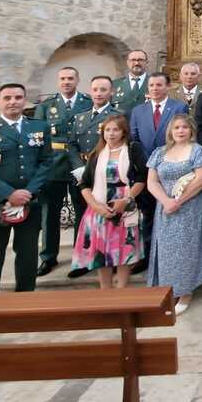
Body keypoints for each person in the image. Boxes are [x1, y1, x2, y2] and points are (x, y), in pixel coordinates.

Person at [0, 83, 52, 293]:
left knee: (28, 257)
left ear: (25, 100)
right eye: (7, 98)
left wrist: (28, 192)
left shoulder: (39, 128)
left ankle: (25, 302)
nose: (13, 102)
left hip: (29, 204)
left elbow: (46, 162)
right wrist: (9, 194)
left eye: (18, 97)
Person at [146, 114, 202, 315]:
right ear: (170, 131)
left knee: (186, 249)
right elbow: (152, 181)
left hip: (189, 209)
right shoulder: (159, 152)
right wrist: (166, 201)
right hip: (165, 209)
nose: (180, 131)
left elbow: (201, 179)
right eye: (176, 128)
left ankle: (185, 291)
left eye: (184, 127)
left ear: (191, 130)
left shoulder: (198, 151)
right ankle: (168, 289)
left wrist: (179, 201)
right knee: (166, 250)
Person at [72, 114, 147, 289]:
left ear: (123, 132)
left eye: (115, 130)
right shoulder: (97, 154)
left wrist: (126, 200)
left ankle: (121, 290)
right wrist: (95, 206)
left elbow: (142, 177)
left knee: (124, 251)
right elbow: (84, 183)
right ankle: (105, 291)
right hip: (100, 207)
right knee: (102, 253)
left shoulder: (132, 149)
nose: (111, 134)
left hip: (125, 207)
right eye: (107, 130)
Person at [33, 67, 92, 277]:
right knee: (50, 213)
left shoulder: (88, 102)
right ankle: (48, 257)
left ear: (77, 80)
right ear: (58, 81)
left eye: (70, 78)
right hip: (53, 166)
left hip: (80, 165)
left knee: (82, 211)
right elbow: (38, 138)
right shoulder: (47, 106)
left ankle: (81, 258)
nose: (66, 82)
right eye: (62, 78)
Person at [130, 72, 189, 273]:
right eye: (152, 85)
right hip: (147, 171)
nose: (155, 88)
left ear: (168, 86)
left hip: (172, 170)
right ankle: (147, 256)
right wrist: (146, 165)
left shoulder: (178, 107)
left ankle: (170, 255)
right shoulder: (138, 111)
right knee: (148, 215)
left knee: (170, 213)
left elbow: (184, 136)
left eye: (159, 85)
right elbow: (134, 140)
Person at [66, 75, 122, 278]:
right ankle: (83, 259)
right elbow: (71, 144)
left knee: (108, 217)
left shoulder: (117, 115)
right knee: (82, 217)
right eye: (95, 89)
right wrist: (79, 168)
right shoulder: (80, 117)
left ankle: (111, 258)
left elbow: (122, 144)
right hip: (82, 174)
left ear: (111, 92)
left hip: (107, 175)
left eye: (103, 90)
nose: (98, 93)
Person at [112, 50, 150, 115]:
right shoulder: (114, 84)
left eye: (140, 60)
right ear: (128, 62)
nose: (136, 63)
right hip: (122, 124)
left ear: (147, 62)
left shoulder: (155, 84)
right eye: (133, 60)